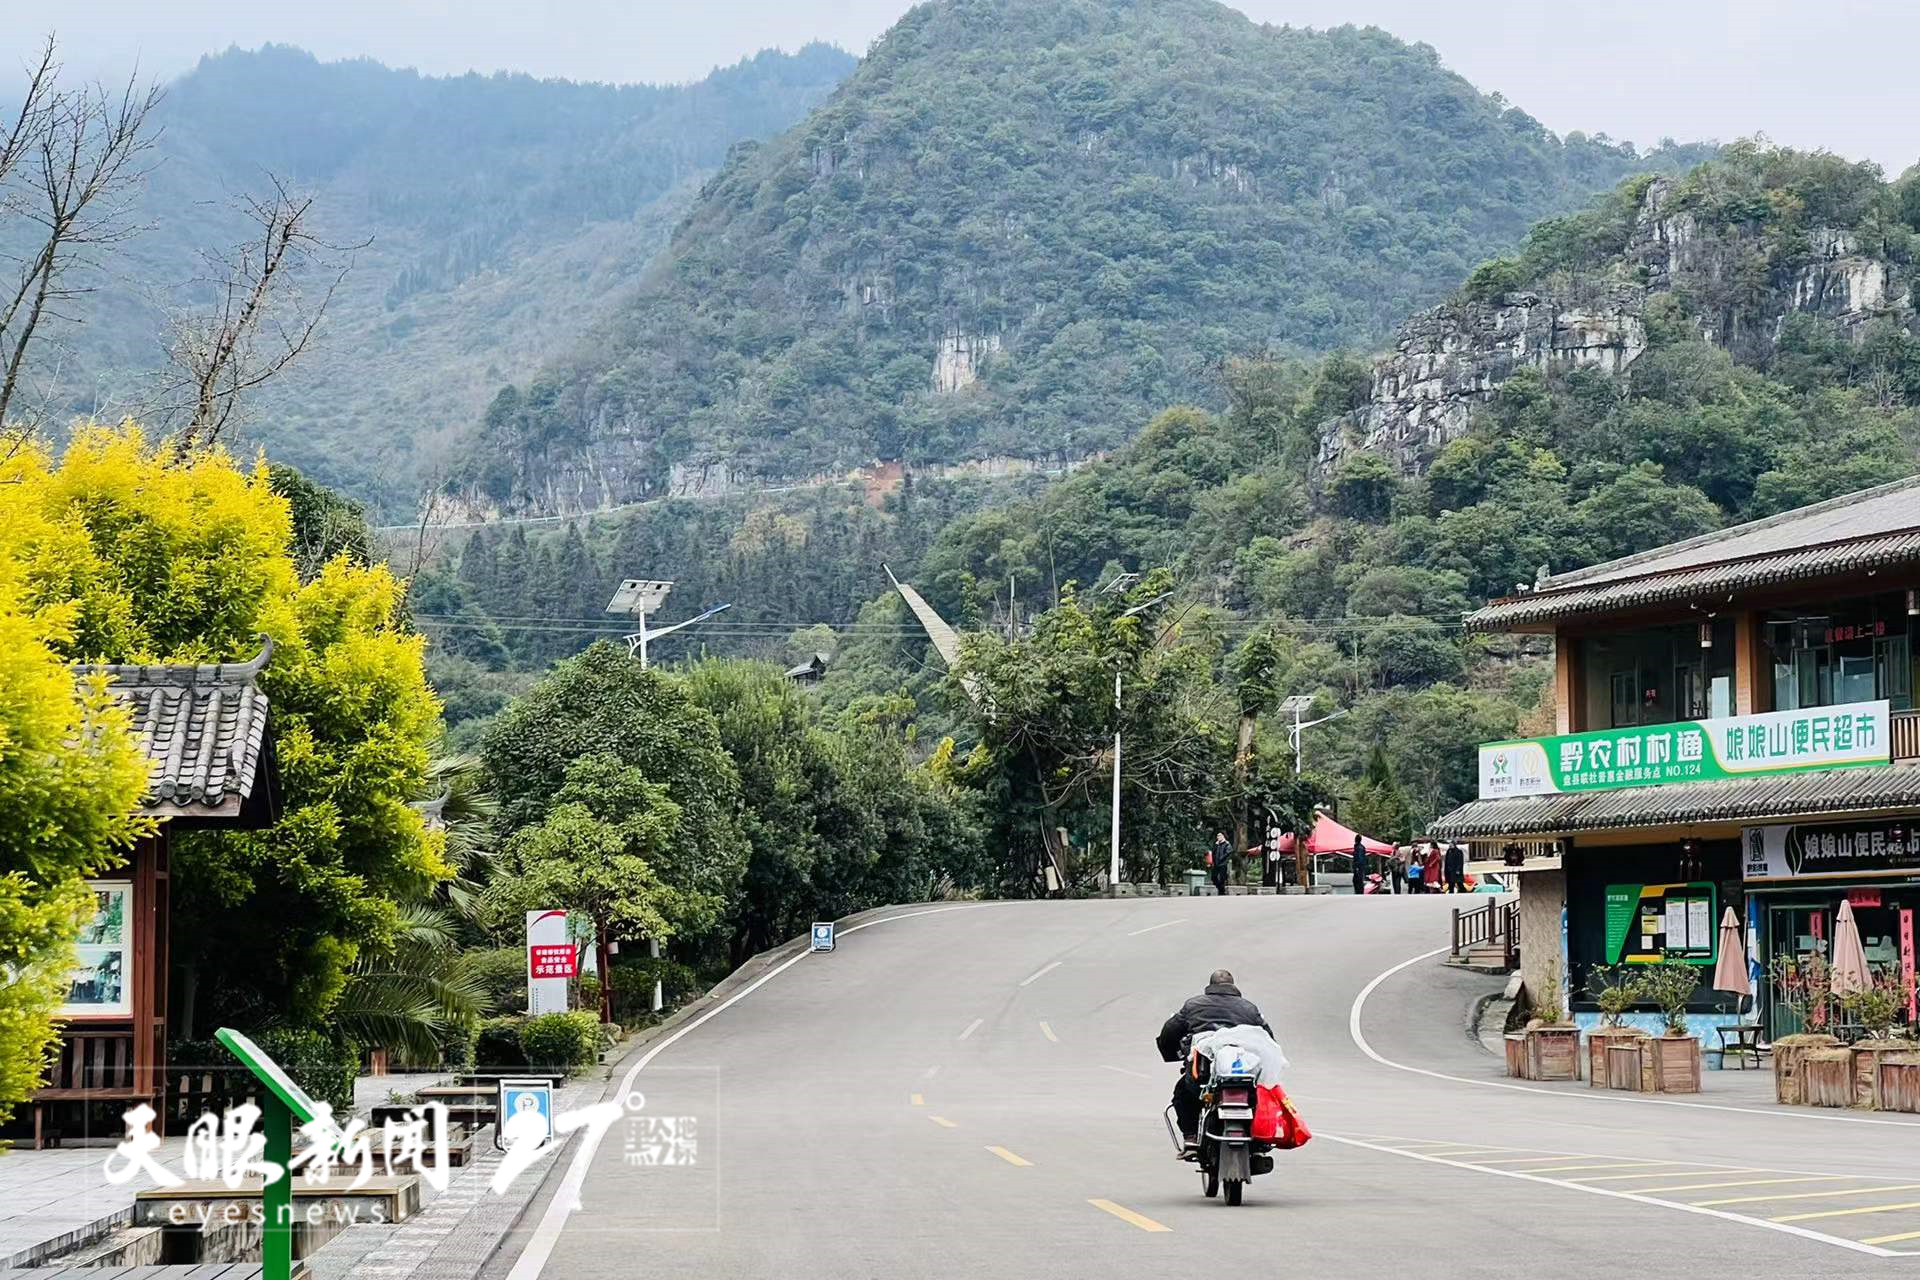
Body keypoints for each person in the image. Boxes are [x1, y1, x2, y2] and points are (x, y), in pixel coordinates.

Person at [1155, 968, 1273, 1150]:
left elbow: (1170, 1032)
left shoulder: (1193, 1005)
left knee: (1183, 1094)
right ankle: (1260, 1137)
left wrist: (1170, 1052)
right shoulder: (1249, 1008)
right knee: (1261, 1094)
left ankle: (1191, 1136)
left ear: (1210, 987)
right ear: (1233, 987)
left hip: (1205, 1071)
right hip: (1245, 1073)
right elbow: (1268, 1038)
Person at [1210, 831, 1231, 897]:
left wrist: (1221, 858)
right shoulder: (1216, 844)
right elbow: (1213, 853)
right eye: (1217, 836)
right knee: (1213, 877)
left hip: (1223, 863)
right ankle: (1220, 889)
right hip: (1216, 863)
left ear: (1223, 836)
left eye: (1219, 835)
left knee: (1222, 878)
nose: (1218, 837)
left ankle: (1221, 892)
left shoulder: (1227, 844)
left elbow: (1228, 852)